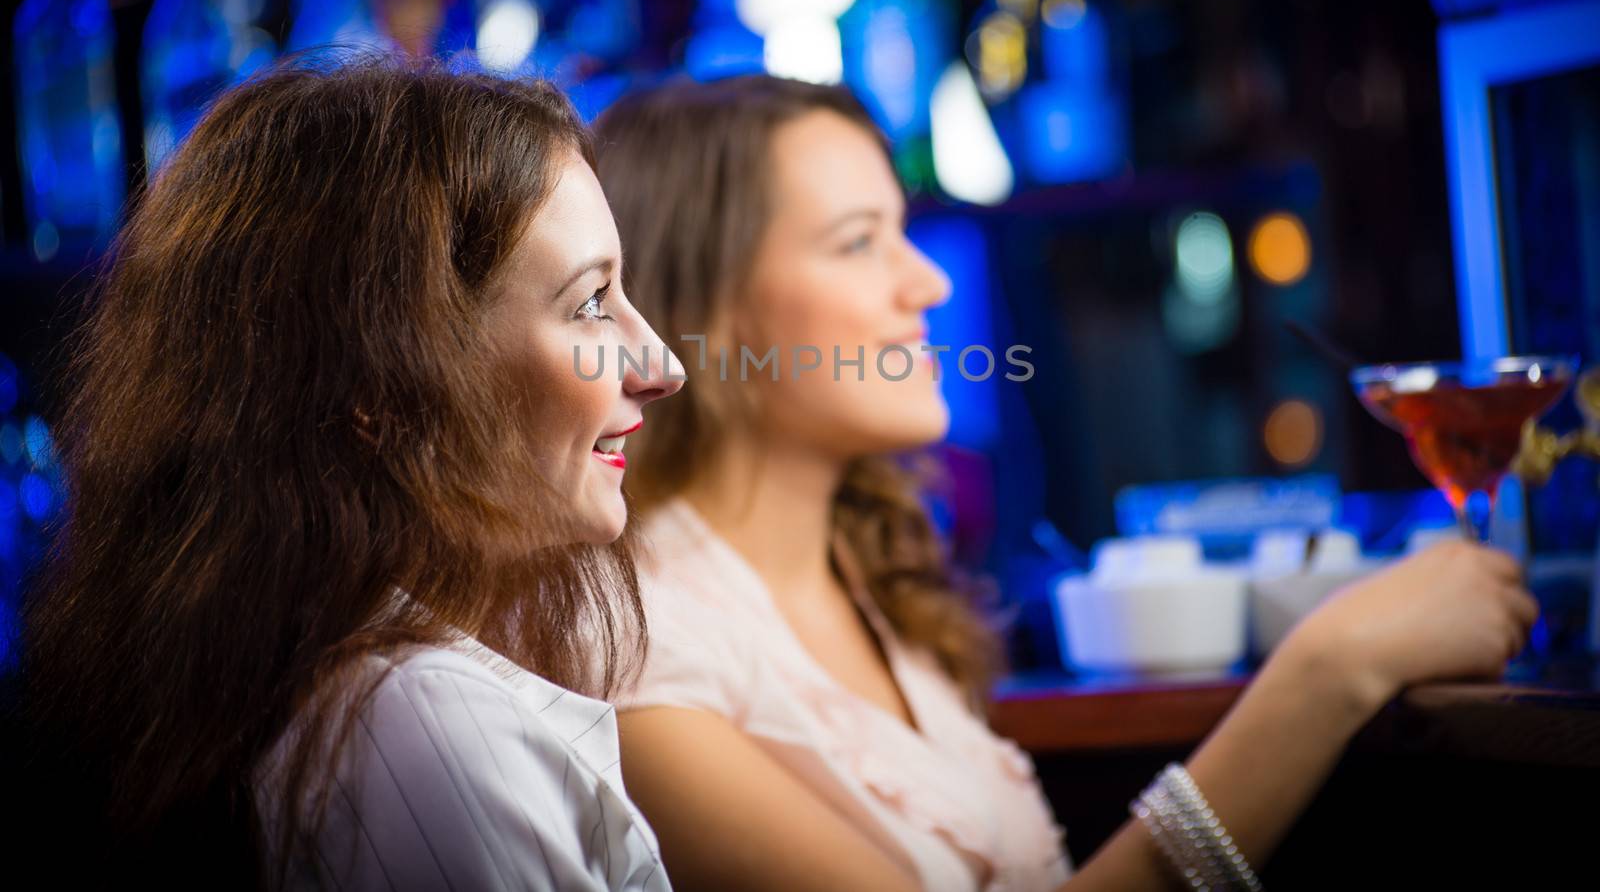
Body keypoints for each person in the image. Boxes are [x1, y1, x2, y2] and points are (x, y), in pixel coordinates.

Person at [592, 73, 1540, 892]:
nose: (927, 283)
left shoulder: (866, 580)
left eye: (904, 231)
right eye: (856, 242)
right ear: (697, 309)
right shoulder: (636, 650)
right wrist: (1333, 670)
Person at [13, 57, 680, 890]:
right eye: (589, 303)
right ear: (383, 377)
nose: (659, 362)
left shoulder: (352, 687)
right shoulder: (422, 726)